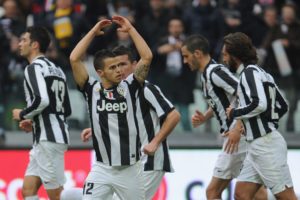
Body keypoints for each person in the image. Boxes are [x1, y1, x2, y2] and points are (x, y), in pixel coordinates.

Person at [78, 45, 180, 200]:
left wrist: (155, 142)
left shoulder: (145, 89)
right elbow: (125, 120)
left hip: (149, 160)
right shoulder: (120, 92)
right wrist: (97, 128)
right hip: (131, 159)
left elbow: (173, 116)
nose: (120, 70)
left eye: (123, 64)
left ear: (134, 64)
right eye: (115, 66)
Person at [69, 15, 152, 199]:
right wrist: (92, 32)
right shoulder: (91, 89)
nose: (119, 70)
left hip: (130, 169)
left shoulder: (130, 86)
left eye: (119, 66)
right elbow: (74, 58)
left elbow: (147, 57)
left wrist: (130, 29)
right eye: (112, 68)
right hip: (102, 169)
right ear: (100, 73)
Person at [181, 34, 267, 199]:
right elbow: (224, 100)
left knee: (212, 192)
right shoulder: (207, 73)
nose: (185, 61)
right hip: (239, 134)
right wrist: (206, 116)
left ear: (197, 53)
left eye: (186, 56)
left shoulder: (215, 72)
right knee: (256, 191)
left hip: (236, 137)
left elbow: (243, 92)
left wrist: (238, 126)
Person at [224, 32, 297, 200]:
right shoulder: (262, 73)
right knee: (241, 194)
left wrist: (235, 113)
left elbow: (259, 104)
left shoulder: (248, 74)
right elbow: (282, 105)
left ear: (235, 56)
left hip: (266, 145)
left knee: (287, 197)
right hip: (259, 144)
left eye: (226, 55)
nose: (224, 59)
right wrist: (258, 123)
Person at [12, 26, 71, 200]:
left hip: (48, 140)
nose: (20, 43)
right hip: (47, 137)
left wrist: (23, 114)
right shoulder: (58, 70)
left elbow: (42, 100)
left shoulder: (33, 68)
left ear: (35, 45)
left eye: (24, 40)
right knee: (28, 190)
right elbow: (66, 109)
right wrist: (35, 120)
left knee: (57, 195)